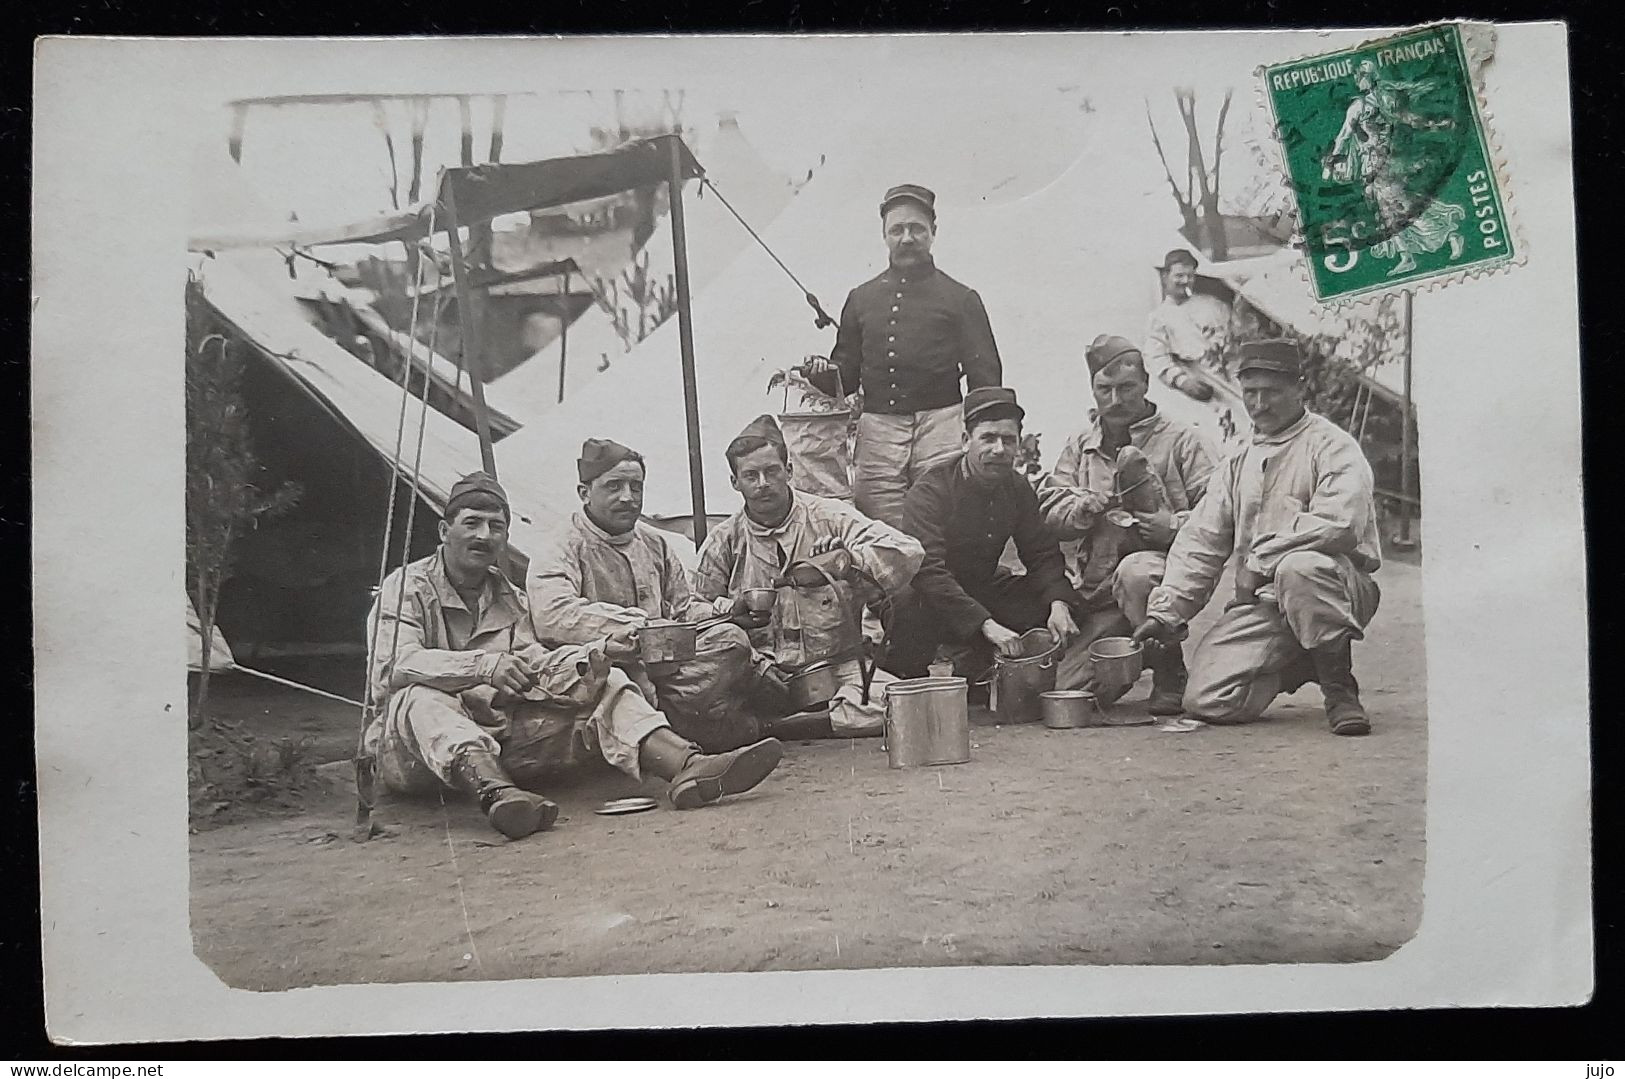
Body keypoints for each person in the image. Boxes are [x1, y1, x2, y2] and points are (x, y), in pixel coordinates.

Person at [362, 472, 783, 840]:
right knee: (422, 696)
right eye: (471, 524)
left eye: (496, 527)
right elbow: (394, 663)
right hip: (414, 754)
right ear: (443, 531)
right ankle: (497, 797)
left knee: (610, 679)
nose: (484, 537)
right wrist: (484, 667)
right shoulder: (408, 587)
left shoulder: (512, 601)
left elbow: (538, 668)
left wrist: (598, 655)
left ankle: (688, 766)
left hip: (499, 739)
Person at [1130, 339, 1382, 735]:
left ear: (1300, 388)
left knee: (1301, 566)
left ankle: (1339, 689)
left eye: (1273, 392)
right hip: (1266, 602)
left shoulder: (1333, 447)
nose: (1260, 405)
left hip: (1337, 587)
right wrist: (1166, 612)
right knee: (1207, 701)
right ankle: (1301, 662)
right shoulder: (1238, 459)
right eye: (1251, 393)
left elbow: (1340, 523)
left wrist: (1257, 562)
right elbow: (1202, 539)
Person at [526, 439, 776, 752]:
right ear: (584, 492)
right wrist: (638, 627)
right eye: (614, 486)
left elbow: (682, 611)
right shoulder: (561, 545)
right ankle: (693, 733)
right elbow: (553, 616)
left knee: (730, 640)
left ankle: (675, 728)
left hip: (667, 671)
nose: (627, 498)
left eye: (636, 487)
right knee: (611, 680)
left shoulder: (654, 543)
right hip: (604, 667)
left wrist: (724, 613)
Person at [693, 415, 925, 714]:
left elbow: (908, 551)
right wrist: (728, 610)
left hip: (836, 668)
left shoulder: (830, 517)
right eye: (751, 476)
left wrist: (847, 561)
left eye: (771, 471)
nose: (763, 484)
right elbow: (690, 606)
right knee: (705, 708)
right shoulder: (725, 539)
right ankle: (816, 718)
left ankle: (791, 726)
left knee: (897, 708)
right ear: (735, 482)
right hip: (760, 673)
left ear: (788, 470)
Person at [804, 183, 1002, 529]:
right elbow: (846, 377)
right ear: (885, 235)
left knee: (943, 518)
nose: (907, 238)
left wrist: (977, 434)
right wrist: (821, 372)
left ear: (933, 233)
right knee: (879, 526)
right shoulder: (861, 298)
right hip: (879, 430)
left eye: (916, 229)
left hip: (941, 426)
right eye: (897, 229)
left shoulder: (961, 298)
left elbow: (985, 377)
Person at [1038, 334, 1217, 712]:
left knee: (1136, 574)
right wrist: (1079, 513)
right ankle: (1137, 650)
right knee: (1069, 689)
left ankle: (1169, 668)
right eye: (1105, 389)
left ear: (1147, 384)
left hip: (1162, 577)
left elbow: (1219, 515)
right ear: (1093, 388)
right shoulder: (1079, 444)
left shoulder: (1183, 440)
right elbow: (1048, 507)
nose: (1116, 400)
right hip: (1097, 589)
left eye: (1126, 388)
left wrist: (1173, 525)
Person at [887, 386, 1084, 683]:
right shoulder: (932, 489)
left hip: (982, 587)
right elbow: (927, 570)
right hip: (932, 593)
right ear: (966, 440)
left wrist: (1059, 604)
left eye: (1008, 440)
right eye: (988, 438)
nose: (999, 450)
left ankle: (979, 663)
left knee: (1057, 600)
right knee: (907, 604)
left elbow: (1041, 553)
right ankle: (910, 679)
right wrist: (985, 624)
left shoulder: (1017, 488)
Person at [1144, 248, 1229, 402]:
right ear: (1165, 277)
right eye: (1179, 276)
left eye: (1190, 276)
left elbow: (1232, 334)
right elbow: (1155, 357)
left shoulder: (1213, 304)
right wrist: (1182, 381)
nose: (1185, 281)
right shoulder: (1159, 317)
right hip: (1194, 383)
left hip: (1227, 377)